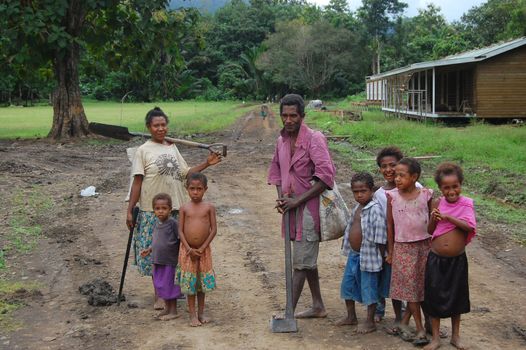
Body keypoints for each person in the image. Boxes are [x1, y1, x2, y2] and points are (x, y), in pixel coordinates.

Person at [126, 107, 221, 310]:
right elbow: (137, 181)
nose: (160, 128)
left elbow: (187, 173)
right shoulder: (143, 150)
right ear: (149, 128)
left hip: (176, 209)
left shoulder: (172, 148)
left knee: (174, 254)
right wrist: (130, 209)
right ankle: (159, 295)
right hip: (153, 211)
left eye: (163, 125)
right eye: (156, 125)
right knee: (157, 254)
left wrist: (207, 163)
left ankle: (173, 293)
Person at [268, 94, 336, 318]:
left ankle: (288, 312)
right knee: (306, 258)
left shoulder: (314, 139)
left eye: (293, 116)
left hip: (309, 209)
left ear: (302, 116)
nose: (288, 120)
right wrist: (282, 198)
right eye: (284, 116)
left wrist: (298, 200)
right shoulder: (281, 141)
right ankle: (318, 306)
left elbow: (326, 176)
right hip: (291, 209)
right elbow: (276, 171)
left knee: (300, 261)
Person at [423, 163, 476, 350]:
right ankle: (436, 338)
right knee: (434, 296)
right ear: (440, 188)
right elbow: (430, 231)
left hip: (457, 260)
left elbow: (469, 227)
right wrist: (434, 218)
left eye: (455, 186)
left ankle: (455, 336)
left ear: (461, 184)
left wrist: (448, 218)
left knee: (457, 297)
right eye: (446, 187)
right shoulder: (437, 203)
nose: (451, 190)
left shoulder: (467, 203)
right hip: (436, 258)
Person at [386, 157, 432, 346]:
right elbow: (390, 226)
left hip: (424, 246)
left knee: (421, 287)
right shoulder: (392, 196)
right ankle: (420, 328)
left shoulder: (426, 195)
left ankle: (405, 321)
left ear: (415, 177)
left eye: (402, 176)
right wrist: (391, 251)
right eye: (396, 175)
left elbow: (433, 223)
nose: (397, 179)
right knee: (411, 290)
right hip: (403, 247)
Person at [338, 172, 387, 333]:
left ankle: (370, 321)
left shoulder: (375, 209)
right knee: (348, 285)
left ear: (371, 190)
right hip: (354, 255)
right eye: (355, 192)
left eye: (363, 191)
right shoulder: (357, 207)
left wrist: (383, 257)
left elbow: (380, 236)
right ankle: (351, 316)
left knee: (369, 288)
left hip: (369, 257)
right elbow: (351, 227)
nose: (359, 195)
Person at [177, 172, 217, 327]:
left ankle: (201, 313)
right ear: (187, 189)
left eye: (199, 189)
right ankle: (192, 315)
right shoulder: (184, 208)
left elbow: (213, 230)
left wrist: (202, 247)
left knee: (201, 284)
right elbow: (180, 231)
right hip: (188, 252)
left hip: (203, 251)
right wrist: (189, 249)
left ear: (205, 189)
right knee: (190, 283)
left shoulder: (209, 208)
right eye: (192, 188)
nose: (195, 192)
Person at [140, 193, 181, 320]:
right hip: (158, 260)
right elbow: (158, 241)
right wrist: (149, 250)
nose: (160, 211)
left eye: (164, 208)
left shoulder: (173, 223)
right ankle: (167, 309)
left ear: (170, 209)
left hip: (169, 261)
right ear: (153, 210)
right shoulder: (157, 224)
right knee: (162, 285)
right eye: (157, 209)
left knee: (170, 285)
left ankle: (173, 311)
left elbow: (180, 239)